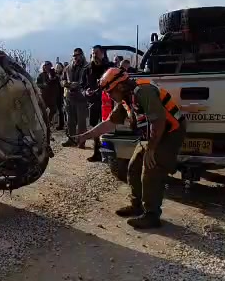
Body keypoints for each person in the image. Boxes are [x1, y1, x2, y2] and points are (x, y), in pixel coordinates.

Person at [76, 68, 186, 229]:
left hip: (169, 133)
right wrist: (85, 136)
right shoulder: (126, 98)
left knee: (151, 170)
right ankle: (137, 206)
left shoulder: (144, 91)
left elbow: (159, 121)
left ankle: (152, 215)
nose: (110, 96)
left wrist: (151, 149)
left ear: (120, 86)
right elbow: (110, 123)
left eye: (110, 92)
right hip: (152, 134)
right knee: (134, 167)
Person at [82, 45, 113, 161]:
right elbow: (82, 85)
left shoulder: (109, 68)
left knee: (107, 127)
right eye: (93, 53)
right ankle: (96, 153)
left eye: (97, 53)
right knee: (95, 127)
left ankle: (108, 152)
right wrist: (86, 92)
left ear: (102, 54)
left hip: (108, 103)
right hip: (93, 102)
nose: (94, 55)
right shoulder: (87, 69)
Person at [61, 48, 89, 147]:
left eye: (78, 55)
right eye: (74, 55)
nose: (76, 57)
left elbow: (89, 82)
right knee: (70, 121)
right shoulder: (68, 67)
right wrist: (66, 83)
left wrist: (78, 85)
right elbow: (62, 80)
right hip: (69, 97)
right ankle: (71, 140)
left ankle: (81, 141)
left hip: (81, 98)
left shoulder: (87, 67)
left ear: (82, 55)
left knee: (81, 122)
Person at [36, 61, 60, 131]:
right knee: (43, 110)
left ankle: (48, 122)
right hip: (44, 95)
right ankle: (44, 123)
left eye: (48, 66)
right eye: (46, 66)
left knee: (53, 109)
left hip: (52, 95)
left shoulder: (54, 74)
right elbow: (37, 84)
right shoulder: (41, 75)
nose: (47, 67)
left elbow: (57, 82)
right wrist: (43, 85)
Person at [53, 62, 66, 130]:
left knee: (61, 110)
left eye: (59, 67)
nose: (57, 68)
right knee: (58, 110)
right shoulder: (54, 75)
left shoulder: (63, 75)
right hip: (56, 94)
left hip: (62, 94)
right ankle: (59, 123)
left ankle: (61, 124)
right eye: (56, 67)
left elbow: (62, 85)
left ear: (62, 68)